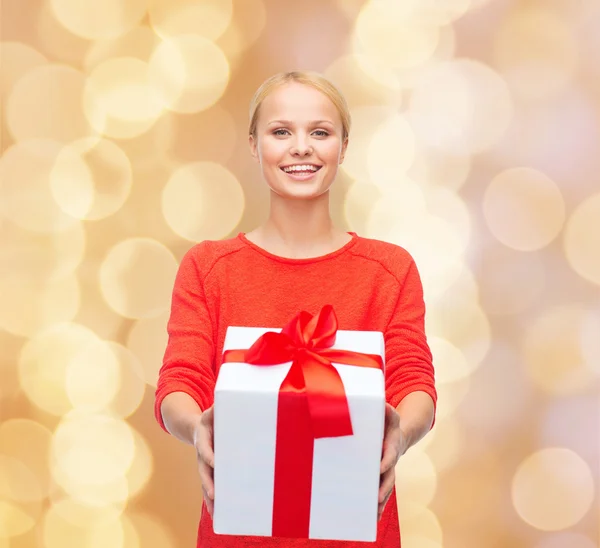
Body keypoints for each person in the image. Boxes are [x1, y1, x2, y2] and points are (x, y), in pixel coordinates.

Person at [154, 71, 437, 548]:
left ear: (343, 147)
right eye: (281, 131)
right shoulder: (209, 268)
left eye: (320, 132)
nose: (301, 147)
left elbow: (415, 383)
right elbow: (179, 381)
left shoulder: (388, 270)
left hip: (357, 533)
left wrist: (400, 435)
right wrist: (197, 427)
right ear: (253, 144)